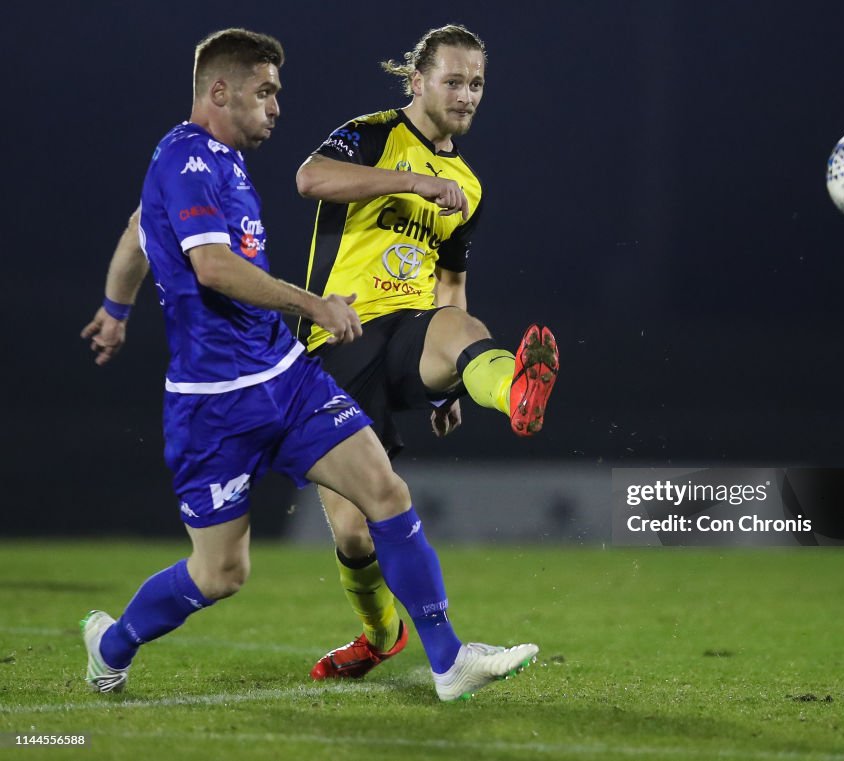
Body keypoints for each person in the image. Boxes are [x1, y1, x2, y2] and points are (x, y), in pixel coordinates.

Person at [79, 27, 537, 703]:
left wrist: (115, 310)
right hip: (213, 403)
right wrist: (313, 304)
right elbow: (211, 267)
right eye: (265, 92)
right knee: (220, 574)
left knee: (385, 491)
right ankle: (111, 644)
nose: (277, 107)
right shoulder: (186, 159)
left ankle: (447, 658)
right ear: (220, 91)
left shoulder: (222, 165)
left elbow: (136, 233)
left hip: (285, 376)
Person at [293, 24, 559, 681]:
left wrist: (452, 387)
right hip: (338, 339)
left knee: (464, 328)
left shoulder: (467, 183)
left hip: (413, 329)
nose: (467, 94)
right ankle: (381, 634)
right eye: (454, 80)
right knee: (354, 533)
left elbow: (453, 284)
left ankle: (512, 391)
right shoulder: (373, 133)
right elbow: (309, 178)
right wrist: (405, 183)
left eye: (476, 84)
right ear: (418, 81)